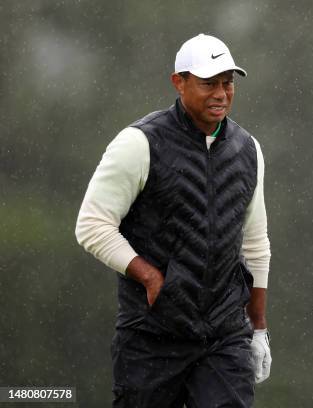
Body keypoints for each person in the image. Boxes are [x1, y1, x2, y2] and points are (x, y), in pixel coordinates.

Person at [75, 34, 271, 407]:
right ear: (178, 82)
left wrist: (258, 329)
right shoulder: (139, 143)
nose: (221, 94)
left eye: (228, 83)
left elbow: (255, 243)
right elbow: (92, 224)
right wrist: (149, 277)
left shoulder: (248, 150)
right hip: (152, 337)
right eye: (208, 83)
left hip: (224, 338)